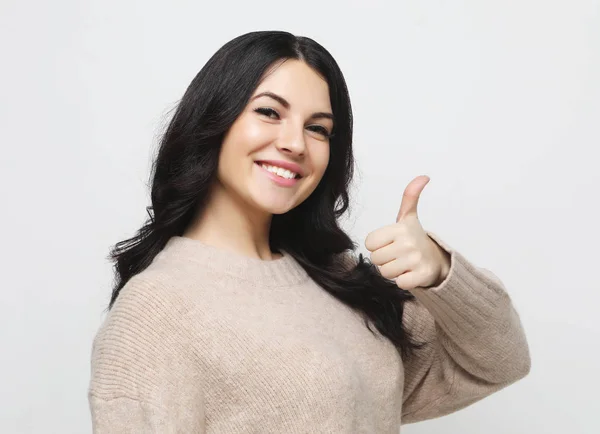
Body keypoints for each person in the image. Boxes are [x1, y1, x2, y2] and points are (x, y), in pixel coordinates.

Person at [88, 30, 531, 433]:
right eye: (268, 112)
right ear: (213, 121)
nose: (295, 143)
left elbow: (500, 363)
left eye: (318, 128)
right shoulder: (154, 311)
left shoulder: (337, 280)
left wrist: (440, 272)